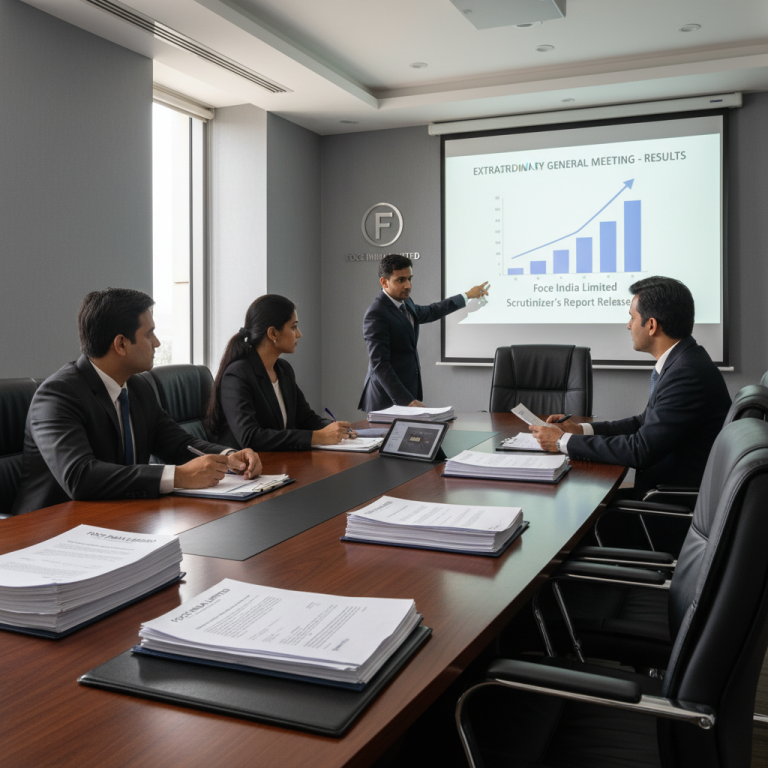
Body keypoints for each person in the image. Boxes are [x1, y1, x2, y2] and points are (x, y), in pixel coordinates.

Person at [11, 289, 261, 516]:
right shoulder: (58, 395)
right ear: (121, 344)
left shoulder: (138, 387)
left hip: (120, 518)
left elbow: (180, 444)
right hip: (49, 531)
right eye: (149, 334)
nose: (157, 343)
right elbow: (80, 477)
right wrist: (179, 476)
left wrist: (228, 457)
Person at [530, 276, 731, 498]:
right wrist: (581, 430)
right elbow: (642, 423)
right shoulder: (684, 361)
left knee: (574, 504)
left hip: (666, 506)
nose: (628, 325)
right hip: (663, 492)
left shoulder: (686, 374)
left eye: (632, 318)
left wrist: (561, 441)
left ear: (651, 325)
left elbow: (640, 450)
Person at [207, 294, 354, 451]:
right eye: (293, 327)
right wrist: (318, 437)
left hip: (280, 462)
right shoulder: (237, 375)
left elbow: (306, 418)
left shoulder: (283, 369)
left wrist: (336, 429)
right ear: (273, 334)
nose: (299, 334)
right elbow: (250, 437)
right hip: (244, 470)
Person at [358, 254, 490, 412]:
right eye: (401, 280)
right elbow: (380, 364)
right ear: (384, 282)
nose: (408, 285)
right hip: (385, 401)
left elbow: (431, 311)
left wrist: (467, 295)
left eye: (409, 279)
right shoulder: (376, 314)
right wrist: (406, 401)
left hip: (406, 396)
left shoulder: (406, 302)